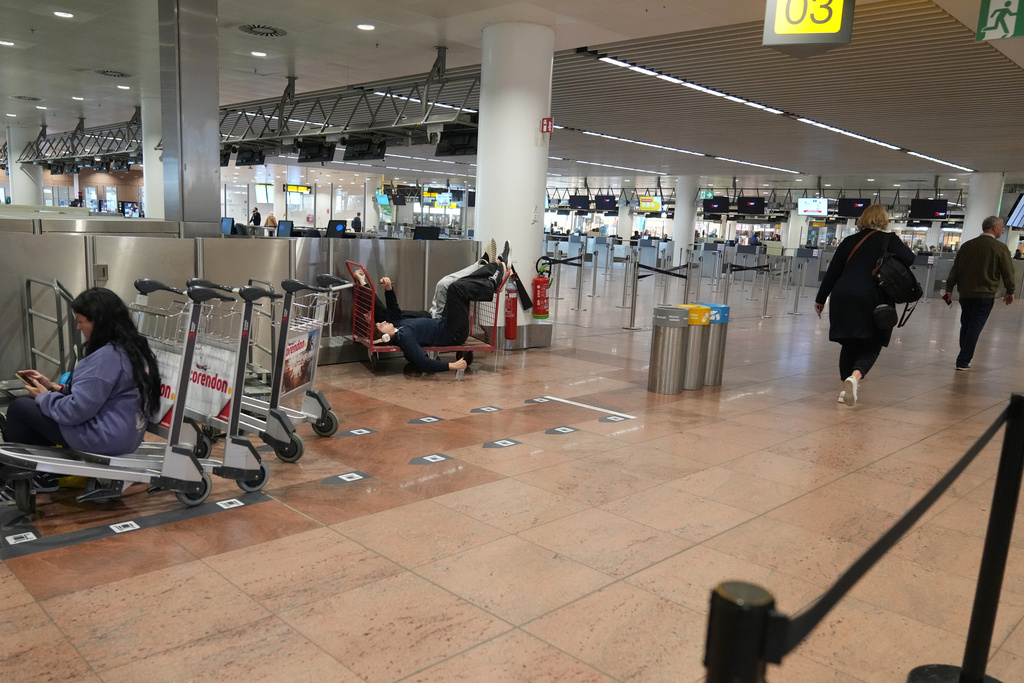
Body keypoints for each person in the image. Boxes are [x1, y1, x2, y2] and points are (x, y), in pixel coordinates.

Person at [3, 288, 162, 490]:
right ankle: (44, 476)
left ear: (98, 321)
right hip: (127, 435)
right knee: (37, 410)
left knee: (20, 408)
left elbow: (75, 411)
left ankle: (20, 481)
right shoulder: (133, 349)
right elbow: (101, 394)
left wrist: (44, 397)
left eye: (80, 321)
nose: (78, 328)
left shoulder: (105, 357)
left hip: (104, 439)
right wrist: (55, 388)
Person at [814, 204, 915, 406]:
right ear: (884, 220)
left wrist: (820, 298)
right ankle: (855, 377)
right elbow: (910, 258)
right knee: (874, 342)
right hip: (874, 297)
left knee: (849, 343)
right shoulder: (890, 240)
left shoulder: (849, 241)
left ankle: (844, 391)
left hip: (843, 296)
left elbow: (833, 271)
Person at [372, 242, 510, 374]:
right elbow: (423, 363)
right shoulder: (405, 339)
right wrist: (452, 366)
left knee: (448, 285)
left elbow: (392, 307)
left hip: (445, 321)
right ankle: (492, 283)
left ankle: (492, 266)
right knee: (456, 289)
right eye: (381, 326)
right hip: (454, 332)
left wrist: (388, 288)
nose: (383, 322)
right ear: (385, 337)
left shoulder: (395, 323)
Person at [942, 216, 1015, 371]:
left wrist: (949, 288)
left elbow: (955, 270)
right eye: (1002, 227)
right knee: (975, 326)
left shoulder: (967, 246)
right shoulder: (1000, 248)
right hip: (985, 294)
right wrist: (1010, 290)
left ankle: (964, 356)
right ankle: (963, 360)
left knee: (966, 325)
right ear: (994, 228)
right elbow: (1008, 272)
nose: (1002, 230)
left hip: (965, 293)